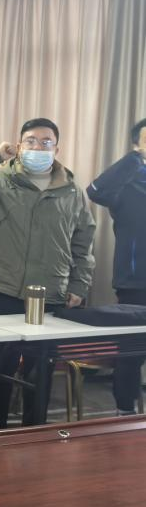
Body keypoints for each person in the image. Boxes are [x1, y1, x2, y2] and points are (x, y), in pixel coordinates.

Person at [0, 117, 95, 428]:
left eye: (46, 142)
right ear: (18, 146)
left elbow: (83, 243)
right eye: (30, 141)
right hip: (4, 287)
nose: (38, 147)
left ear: (57, 149)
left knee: (39, 372)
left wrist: (79, 284)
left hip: (49, 291)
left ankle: (34, 433)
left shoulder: (71, 191)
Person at [86, 118, 146, 415]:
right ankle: (125, 410)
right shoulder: (126, 184)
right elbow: (95, 190)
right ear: (136, 145)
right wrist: (134, 159)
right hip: (135, 282)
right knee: (131, 351)